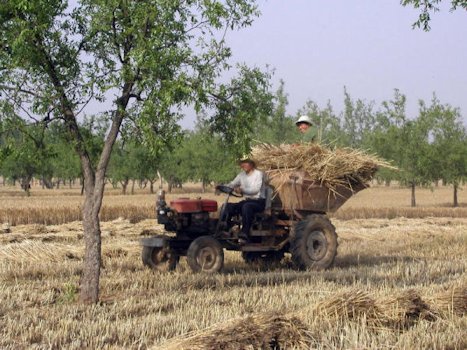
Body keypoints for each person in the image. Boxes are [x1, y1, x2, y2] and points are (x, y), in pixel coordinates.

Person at [222, 156, 267, 243]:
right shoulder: (241, 175)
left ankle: (245, 232)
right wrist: (222, 187)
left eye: (245, 162)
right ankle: (225, 228)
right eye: (241, 163)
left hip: (258, 202)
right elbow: (232, 184)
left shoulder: (258, 174)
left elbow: (255, 190)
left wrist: (242, 190)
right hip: (247, 201)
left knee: (246, 207)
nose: (242, 165)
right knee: (227, 206)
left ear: (251, 164)